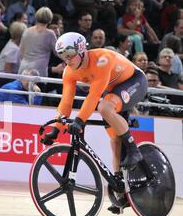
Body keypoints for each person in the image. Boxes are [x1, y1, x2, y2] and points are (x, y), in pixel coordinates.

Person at [43, 32, 148, 203]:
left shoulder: (101, 59)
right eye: (63, 56)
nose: (67, 60)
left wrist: (80, 120)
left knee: (104, 107)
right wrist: (56, 129)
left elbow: (94, 96)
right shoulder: (69, 72)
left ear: (82, 50)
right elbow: (66, 103)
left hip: (134, 81)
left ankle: (134, 151)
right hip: (114, 91)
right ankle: (120, 184)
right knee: (114, 139)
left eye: (70, 55)